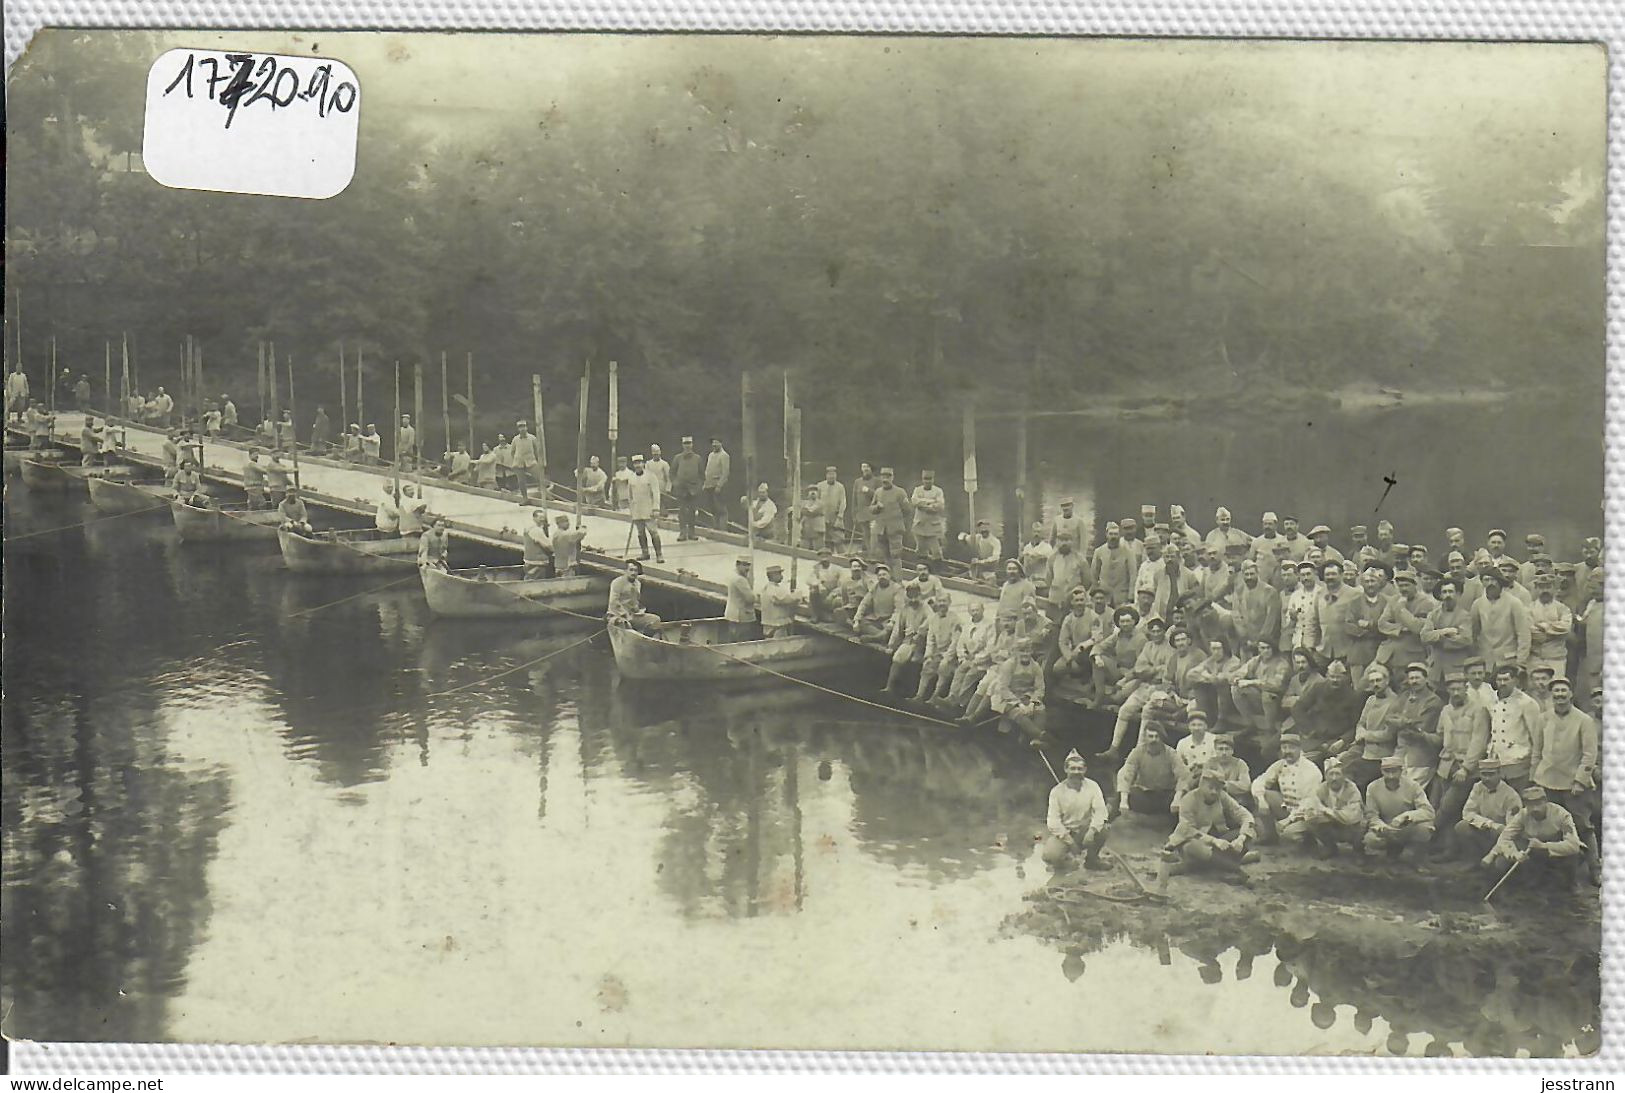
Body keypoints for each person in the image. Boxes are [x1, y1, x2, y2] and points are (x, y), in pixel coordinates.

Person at [1530, 677, 1599, 882]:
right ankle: (1553, 873)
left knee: (1582, 826)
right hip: (1547, 781)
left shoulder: (1584, 720)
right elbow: (1537, 750)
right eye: (1556, 692)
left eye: (1563, 691)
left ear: (1571, 694)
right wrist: (1535, 778)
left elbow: (1589, 754)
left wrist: (1580, 780)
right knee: (1551, 827)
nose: (1560, 695)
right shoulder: (1543, 718)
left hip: (1573, 785)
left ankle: (1595, 869)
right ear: (1552, 695)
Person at [1429, 670, 1492, 855]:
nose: (1456, 693)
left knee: (1447, 808)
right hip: (1445, 766)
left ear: (1466, 688)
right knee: (1440, 806)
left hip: (1466, 769)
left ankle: (1426, 838)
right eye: (1452, 689)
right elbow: (1439, 736)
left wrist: (1466, 768)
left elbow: (1479, 742)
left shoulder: (1478, 710)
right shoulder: (1446, 710)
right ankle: (1447, 849)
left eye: (1459, 689)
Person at [1481, 786, 1583, 891]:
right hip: (1532, 850)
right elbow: (1505, 838)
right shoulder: (1522, 815)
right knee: (1501, 862)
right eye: (1530, 805)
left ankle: (1571, 884)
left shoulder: (1561, 814)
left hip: (1555, 851)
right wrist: (1514, 854)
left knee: (1574, 856)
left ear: (1546, 801)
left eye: (1538, 804)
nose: (1535, 809)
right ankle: (1526, 888)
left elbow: (1573, 845)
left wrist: (1544, 846)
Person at [1164, 765, 1258, 877]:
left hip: (1219, 840)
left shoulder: (1222, 796)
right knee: (1193, 847)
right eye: (1210, 787)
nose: (1214, 791)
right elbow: (1188, 830)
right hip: (1195, 840)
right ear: (1202, 785)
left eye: (1217, 788)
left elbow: (1244, 815)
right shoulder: (1188, 800)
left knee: (1251, 831)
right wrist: (1214, 841)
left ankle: (1204, 865)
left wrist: (1241, 838)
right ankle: (1233, 868)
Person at [1280, 757, 1365, 857]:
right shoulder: (1322, 788)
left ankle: (1358, 851)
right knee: (1299, 827)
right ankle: (1327, 847)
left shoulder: (1351, 789)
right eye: (1331, 774)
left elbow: (1351, 816)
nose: (1334, 778)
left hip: (1349, 827)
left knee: (1361, 826)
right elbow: (1308, 804)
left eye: (1337, 774)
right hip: (1330, 825)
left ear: (1344, 776)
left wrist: (1326, 812)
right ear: (1326, 776)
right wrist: (1290, 819)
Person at [1041, 751, 1111, 872]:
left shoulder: (1093, 786)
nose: (1076, 772)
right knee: (1050, 855)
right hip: (1066, 833)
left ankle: (1092, 860)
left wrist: (1092, 831)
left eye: (1080, 769)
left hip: (1086, 830)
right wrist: (1070, 841)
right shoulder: (1056, 792)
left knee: (1104, 829)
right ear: (1066, 769)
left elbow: (1101, 812)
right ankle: (1066, 865)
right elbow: (1053, 822)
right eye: (1072, 768)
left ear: (1085, 770)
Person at [1251, 733, 1323, 845]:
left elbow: (1309, 802)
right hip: (1287, 806)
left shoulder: (1310, 770)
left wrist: (1288, 820)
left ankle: (1308, 838)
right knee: (1263, 794)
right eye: (1284, 748)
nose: (1287, 751)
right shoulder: (1280, 764)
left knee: (1289, 834)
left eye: (1292, 748)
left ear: (1300, 749)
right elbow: (1260, 780)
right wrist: (1261, 800)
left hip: (1307, 813)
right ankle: (1270, 837)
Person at [1446, 757, 1520, 861]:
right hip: (1484, 829)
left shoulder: (1511, 795)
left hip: (1502, 836)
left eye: (1491, 774)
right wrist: (1490, 824)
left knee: (1499, 865)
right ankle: (1472, 862)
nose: (1487, 778)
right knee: (1462, 827)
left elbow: (1512, 828)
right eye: (1484, 774)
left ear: (1499, 773)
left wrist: (1497, 830)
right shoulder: (1478, 787)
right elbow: (1467, 813)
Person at [1362, 755, 1435, 859]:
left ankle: (1412, 852)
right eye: (1387, 771)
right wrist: (1382, 827)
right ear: (1382, 771)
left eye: (1394, 771)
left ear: (1401, 771)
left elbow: (1428, 811)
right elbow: (1371, 815)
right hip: (1386, 828)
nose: (1391, 776)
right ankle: (1387, 853)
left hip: (1407, 827)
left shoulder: (1413, 786)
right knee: (1371, 840)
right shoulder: (1373, 787)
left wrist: (1405, 817)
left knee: (1424, 830)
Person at [1116, 725, 1188, 821]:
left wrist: (1177, 799)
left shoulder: (1171, 753)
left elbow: (1183, 775)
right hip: (1145, 796)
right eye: (1150, 736)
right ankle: (1104, 823)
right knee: (1118, 797)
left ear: (1161, 738)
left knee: (1186, 800)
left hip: (1165, 797)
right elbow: (1126, 773)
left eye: (1157, 736)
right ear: (1145, 737)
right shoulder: (1137, 752)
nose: (1154, 740)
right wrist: (1123, 801)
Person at [1486, 663, 1540, 787]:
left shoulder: (1526, 703)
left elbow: (1536, 736)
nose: (1502, 683)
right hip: (1496, 759)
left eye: (1506, 679)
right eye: (1499, 680)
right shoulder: (1491, 700)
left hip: (1518, 761)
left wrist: (1534, 764)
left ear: (1515, 681)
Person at [1391, 661, 1444, 788]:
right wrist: (1405, 722)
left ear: (1426, 679)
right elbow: (1389, 717)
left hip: (1421, 755)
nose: (1414, 681)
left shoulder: (1433, 701)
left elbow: (1419, 728)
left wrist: (1401, 721)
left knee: (1411, 791)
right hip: (1401, 751)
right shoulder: (1404, 696)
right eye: (1411, 678)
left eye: (1417, 678)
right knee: (1394, 785)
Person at [1472, 572, 1531, 675]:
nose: (1490, 583)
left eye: (1493, 580)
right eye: (1486, 580)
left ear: (1500, 582)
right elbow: (1473, 633)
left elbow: (1523, 634)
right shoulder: (1477, 604)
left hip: (1509, 660)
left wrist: (1521, 662)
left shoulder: (1514, 603)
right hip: (1485, 661)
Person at [987, 641, 1046, 740]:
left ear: (1032, 651)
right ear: (1016, 652)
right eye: (1022, 651)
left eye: (1028, 651)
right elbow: (1003, 688)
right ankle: (1040, 736)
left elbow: (1040, 688)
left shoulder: (1035, 667)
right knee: (1018, 712)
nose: (1025, 654)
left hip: (1026, 696)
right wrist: (1018, 703)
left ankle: (1035, 740)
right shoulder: (1009, 665)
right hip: (1008, 696)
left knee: (1040, 710)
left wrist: (1032, 701)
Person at [912, 595, 964, 702]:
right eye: (940, 601)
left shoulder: (955, 619)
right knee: (927, 667)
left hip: (950, 655)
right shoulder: (933, 618)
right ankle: (919, 695)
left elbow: (955, 642)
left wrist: (947, 657)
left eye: (944, 601)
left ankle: (935, 696)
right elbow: (930, 639)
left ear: (949, 602)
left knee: (943, 667)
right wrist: (928, 655)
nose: (942, 604)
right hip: (937, 652)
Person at [882, 583, 933, 693]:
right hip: (908, 640)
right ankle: (889, 687)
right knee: (898, 657)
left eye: (916, 595)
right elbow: (897, 629)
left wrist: (919, 633)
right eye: (911, 596)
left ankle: (910, 691)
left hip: (922, 641)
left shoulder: (926, 609)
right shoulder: (905, 609)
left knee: (915, 660)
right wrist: (891, 645)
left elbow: (930, 623)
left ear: (920, 595)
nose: (914, 599)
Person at [1314, 562, 1361, 669]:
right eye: (1327, 575)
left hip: (1346, 649)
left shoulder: (1354, 594)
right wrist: (1312, 645)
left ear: (1341, 575)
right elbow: (1314, 621)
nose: (1330, 577)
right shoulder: (1319, 594)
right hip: (1323, 649)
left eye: (1333, 574)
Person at [1527, 574, 1573, 677]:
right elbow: (1529, 629)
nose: (1545, 591)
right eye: (1541, 587)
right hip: (1535, 657)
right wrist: (1553, 632)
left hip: (1556, 657)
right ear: (1536, 589)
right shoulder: (1529, 608)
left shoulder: (1562, 608)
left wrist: (1543, 627)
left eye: (1548, 587)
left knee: (1556, 686)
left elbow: (1565, 627)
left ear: (1554, 588)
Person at [867, 467, 911, 569]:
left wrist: (897, 520)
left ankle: (898, 581)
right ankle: (889, 579)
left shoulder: (900, 492)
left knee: (896, 556)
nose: (885, 480)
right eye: (883, 477)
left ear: (892, 478)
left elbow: (907, 510)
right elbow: (871, 509)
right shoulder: (878, 492)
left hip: (895, 530)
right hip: (881, 529)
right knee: (885, 555)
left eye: (888, 477)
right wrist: (877, 507)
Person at [627, 454, 665, 563]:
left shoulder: (651, 476)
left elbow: (656, 493)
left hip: (649, 510)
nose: (638, 465)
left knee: (653, 532)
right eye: (635, 463)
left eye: (639, 462)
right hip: (637, 510)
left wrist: (656, 508)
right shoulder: (631, 478)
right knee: (640, 533)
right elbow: (630, 496)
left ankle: (659, 554)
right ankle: (645, 552)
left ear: (643, 463)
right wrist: (632, 511)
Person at [607, 560, 661, 635]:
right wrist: (624, 614)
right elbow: (614, 602)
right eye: (631, 570)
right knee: (625, 624)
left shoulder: (637, 584)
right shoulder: (617, 583)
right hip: (617, 615)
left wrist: (639, 610)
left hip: (632, 615)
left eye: (635, 571)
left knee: (655, 619)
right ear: (626, 571)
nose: (633, 573)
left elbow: (636, 601)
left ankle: (645, 637)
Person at [1091, 521, 1137, 607]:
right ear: (1106, 535)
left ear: (1120, 535)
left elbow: (1133, 575)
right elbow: (1094, 574)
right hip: (1104, 595)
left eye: (1116, 534)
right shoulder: (1099, 552)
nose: (1113, 537)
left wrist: (1131, 595)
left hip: (1122, 595)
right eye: (1111, 534)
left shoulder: (1128, 552)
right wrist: (1094, 593)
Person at [671, 436, 705, 541]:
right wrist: (676, 483)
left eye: (689, 443)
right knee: (682, 512)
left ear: (692, 445)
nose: (687, 446)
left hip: (693, 490)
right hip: (681, 489)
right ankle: (682, 533)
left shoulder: (698, 458)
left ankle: (692, 532)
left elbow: (702, 475)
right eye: (686, 444)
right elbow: (672, 473)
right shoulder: (677, 458)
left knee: (692, 512)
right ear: (682, 445)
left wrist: (698, 487)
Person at [908, 470, 948, 560]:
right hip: (919, 524)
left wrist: (923, 504)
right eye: (925, 479)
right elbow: (914, 501)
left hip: (933, 526)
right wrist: (931, 502)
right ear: (922, 479)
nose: (927, 481)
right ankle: (922, 567)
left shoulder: (938, 491)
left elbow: (940, 505)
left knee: (936, 551)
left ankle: (938, 569)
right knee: (921, 550)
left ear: (933, 480)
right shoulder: (917, 490)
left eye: (929, 479)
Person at [759, 563, 802, 639]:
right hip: (777, 625)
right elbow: (787, 599)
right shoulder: (774, 589)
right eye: (779, 574)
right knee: (778, 646)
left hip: (768, 623)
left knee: (769, 645)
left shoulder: (766, 588)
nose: (781, 576)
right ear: (773, 575)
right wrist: (798, 594)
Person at [723, 556, 758, 642]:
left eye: (748, 565)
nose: (747, 568)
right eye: (745, 565)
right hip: (740, 615)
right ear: (737, 565)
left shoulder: (733, 575)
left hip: (732, 613)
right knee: (741, 640)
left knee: (732, 638)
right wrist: (756, 597)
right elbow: (751, 598)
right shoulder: (740, 579)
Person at [813, 466, 847, 552]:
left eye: (833, 474)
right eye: (830, 474)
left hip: (835, 517)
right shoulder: (820, 486)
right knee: (825, 540)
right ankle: (829, 557)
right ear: (826, 475)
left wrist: (840, 516)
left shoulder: (840, 487)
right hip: (823, 516)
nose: (831, 476)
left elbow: (843, 502)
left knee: (838, 539)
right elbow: (816, 500)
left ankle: (841, 557)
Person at [509, 420, 542, 501]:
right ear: (518, 429)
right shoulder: (515, 439)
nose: (522, 429)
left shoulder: (532, 438)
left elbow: (537, 450)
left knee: (539, 477)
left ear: (526, 427)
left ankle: (545, 495)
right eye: (520, 427)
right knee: (521, 481)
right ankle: (525, 498)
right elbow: (512, 452)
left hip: (531, 461)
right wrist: (516, 460)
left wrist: (537, 460)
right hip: (518, 462)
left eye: (524, 427)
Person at [848, 462, 878, 552]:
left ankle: (874, 554)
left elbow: (880, 495)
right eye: (863, 467)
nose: (865, 469)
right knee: (866, 535)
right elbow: (854, 499)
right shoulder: (857, 482)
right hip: (862, 514)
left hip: (874, 514)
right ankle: (868, 553)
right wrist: (854, 514)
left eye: (867, 467)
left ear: (871, 469)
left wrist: (869, 491)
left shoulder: (877, 481)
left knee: (874, 535)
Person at [703, 438, 732, 530]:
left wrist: (719, 485)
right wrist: (705, 483)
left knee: (721, 508)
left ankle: (723, 529)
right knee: (712, 508)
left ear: (721, 443)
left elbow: (725, 472)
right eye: (713, 443)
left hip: (718, 486)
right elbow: (707, 470)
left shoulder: (724, 456)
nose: (714, 444)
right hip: (709, 485)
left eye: (717, 442)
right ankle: (715, 527)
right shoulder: (710, 455)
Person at [964, 519, 1003, 583]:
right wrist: (962, 537)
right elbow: (963, 537)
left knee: (990, 584)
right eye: (982, 528)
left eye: (986, 528)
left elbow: (995, 557)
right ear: (979, 529)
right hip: (976, 571)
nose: (984, 530)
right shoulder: (977, 538)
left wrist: (980, 562)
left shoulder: (995, 541)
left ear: (990, 529)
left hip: (989, 572)